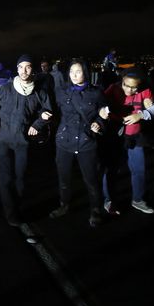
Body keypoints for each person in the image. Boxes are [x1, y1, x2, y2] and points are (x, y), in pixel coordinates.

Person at [0, 54, 53, 226]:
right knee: (5, 178)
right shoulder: (5, 89)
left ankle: (18, 208)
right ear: (17, 69)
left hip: (23, 142)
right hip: (3, 140)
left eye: (28, 67)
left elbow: (48, 111)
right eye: (21, 67)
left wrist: (39, 123)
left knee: (21, 179)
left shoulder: (39, 92)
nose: (24, 70)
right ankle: (10, 214)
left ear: (32, 69)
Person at [49, 59, 106, 228]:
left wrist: (99, 123)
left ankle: (95, 210)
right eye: (71, 71)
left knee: (91, 179)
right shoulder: (61, 91)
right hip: (64, 142)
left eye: (78, 71)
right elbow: (51, 109)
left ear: (85, 73)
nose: (74, 75)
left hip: (86, 143)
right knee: (64, 178)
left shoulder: (96, 93)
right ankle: (64, 205)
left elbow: (104, 112)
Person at [97, 69, 154, 215]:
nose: (129, 90)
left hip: (135, 136)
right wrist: (103, 111)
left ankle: (138, 199)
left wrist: (141, 115)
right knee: (111, 169)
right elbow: (100, 103)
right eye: (126, 85)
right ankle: (109, 200)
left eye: (133, 87)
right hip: (115, 135)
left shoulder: (145, 92)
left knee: (139, 169)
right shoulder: (114, 88)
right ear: (122, 81)